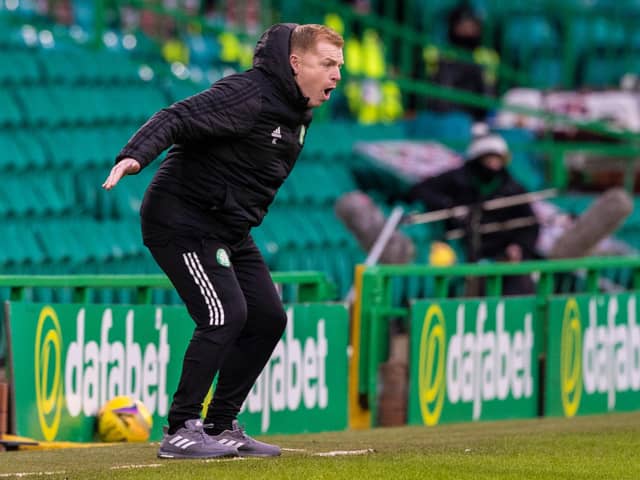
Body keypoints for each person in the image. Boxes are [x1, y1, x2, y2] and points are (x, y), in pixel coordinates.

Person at [102, 23, 344, 459]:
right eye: (327, 64)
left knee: (268, 317)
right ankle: (181, 429)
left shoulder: (297, 112)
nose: (336, 75)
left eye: (339, 66)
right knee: (223, 314)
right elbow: (176, 116)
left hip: (228, 227)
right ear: (295, 63)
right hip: (182, 219)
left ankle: (221, 425)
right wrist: (135, 155)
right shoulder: (249, 93)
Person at [405, 133, 540, 296]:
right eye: (489, 158)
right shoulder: (458, 179)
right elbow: (419, 190)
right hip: (460, 249)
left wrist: (519, 246)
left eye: (498, 159)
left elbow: (530, 224)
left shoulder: (512, 188)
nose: (493, 164)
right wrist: (449, 206)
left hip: (498, 255)